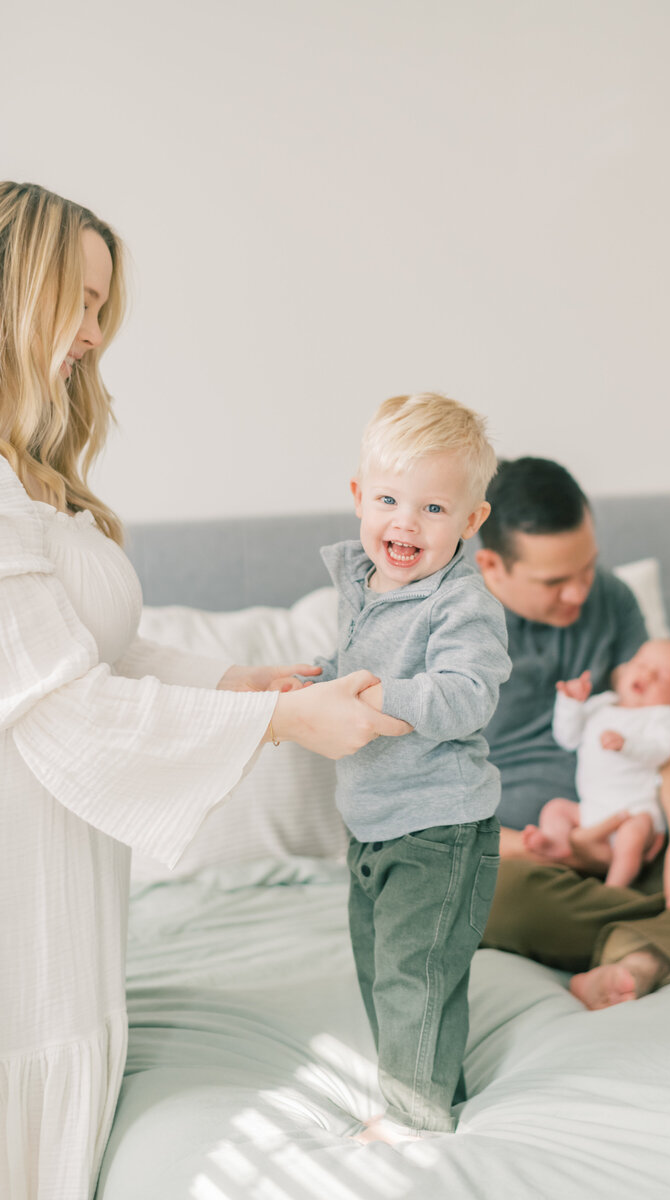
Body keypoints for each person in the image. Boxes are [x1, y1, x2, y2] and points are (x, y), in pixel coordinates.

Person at [0, 182, 410, 1200]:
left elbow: (102, 652)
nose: (92, 335)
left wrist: (237, 683)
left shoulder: (32, 476)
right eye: (77, 303)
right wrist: (275, 720)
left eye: (103, 308)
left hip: (64, 911)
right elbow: (65, 714)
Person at [474, 456, 670, 1010]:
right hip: (537, 862)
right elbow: (418, 810)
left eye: (587, 568)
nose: (579, 593)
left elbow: (667, 724)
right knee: (484, 896)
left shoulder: (610, 598)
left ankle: (658, 937)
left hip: (646, 838)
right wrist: (566, 851)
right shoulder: (439, 632)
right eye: (555, 581)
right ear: (491, 565)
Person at [312, 393, 511, 1142]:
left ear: (471, 520)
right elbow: (349, 672)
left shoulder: (461, 603)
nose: (406, 522)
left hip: (440, 825)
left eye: (433, 508)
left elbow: (466, 696)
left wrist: (373, 700)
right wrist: (313, 687)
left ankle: (414, 1118)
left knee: (414, 974)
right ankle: (431, 1083)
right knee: (381, 969)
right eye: (390, 499)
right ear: (360, 497)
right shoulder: (362, 584)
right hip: (371, 821)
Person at [526, 639, 670, 887]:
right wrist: (571, 704)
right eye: (641, 664)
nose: (647, 674)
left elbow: (660, 751)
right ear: (626, 668)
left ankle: (614, 888)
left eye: (662, 676)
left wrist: (627, 745)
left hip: (634, 813)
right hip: (590, 811)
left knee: (630, 838)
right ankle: (557, 843)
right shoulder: (601, 704)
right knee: (555, 809)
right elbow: (568, 738)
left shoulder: (664, 716)